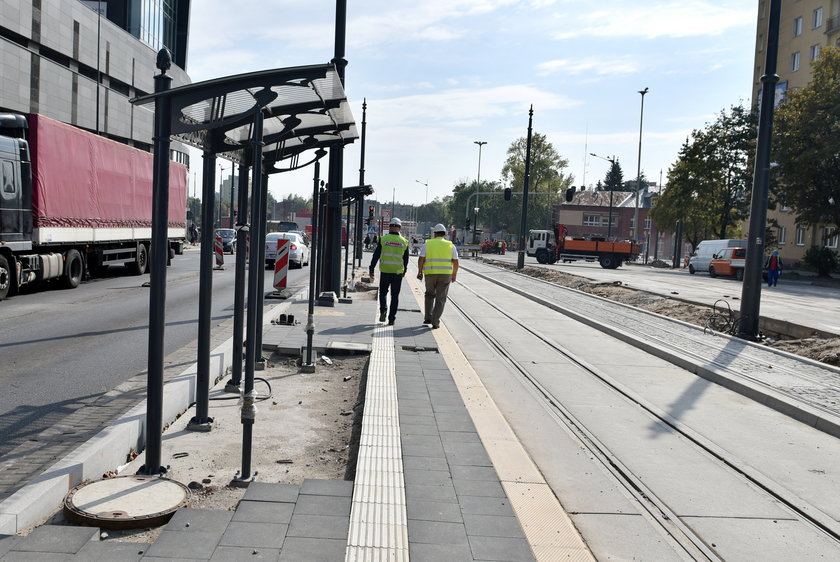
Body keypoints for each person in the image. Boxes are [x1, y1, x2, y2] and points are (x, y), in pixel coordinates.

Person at [417, 223, 459, 329]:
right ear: (445, 234)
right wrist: (454, 274)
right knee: (441, 298)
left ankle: (427, 317)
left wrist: (420, 272)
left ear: (434, 234)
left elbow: (421, 258)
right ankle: (435, 322)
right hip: (445, 276)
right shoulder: (450, 245)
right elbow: (456, 261)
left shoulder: (428, 244)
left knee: (429, 294)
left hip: (430, 274)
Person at [369, 218, 409, 325]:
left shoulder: (383, 239)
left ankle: (383, 310)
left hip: (385, 271)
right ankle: (391, 319)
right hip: (397, 273)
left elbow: (376, 255)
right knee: (395, 296)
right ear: (400, 228)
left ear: (390, 227)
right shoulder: (404, 242)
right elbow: (406, 259)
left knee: (383, 293)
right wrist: (404, 270)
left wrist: (371, 268)